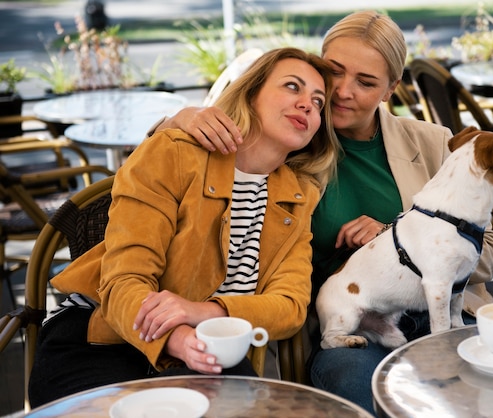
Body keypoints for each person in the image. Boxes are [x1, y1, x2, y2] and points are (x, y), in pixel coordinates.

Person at [152, 11, 493, 414]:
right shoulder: (285, 139)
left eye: (366, 82)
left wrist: (399, 243)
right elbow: (174, 165)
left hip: (444, 313)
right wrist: (180, 118)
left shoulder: (437, 144)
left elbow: (491, 250)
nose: (341, 92)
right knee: (359, 390)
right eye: (334, 72)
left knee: (492, 388)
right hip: (348, 322)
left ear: (391, 89)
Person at [28, 47, 340, 408]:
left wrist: (204, 313)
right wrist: (175, 337)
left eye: (318, 102)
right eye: (292, 87)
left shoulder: (298, 196)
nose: (307, 105)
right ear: (251, 93)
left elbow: (289, 305)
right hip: (101, 339)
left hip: (208, 353)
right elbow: (123, 281)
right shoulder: (175, 153)